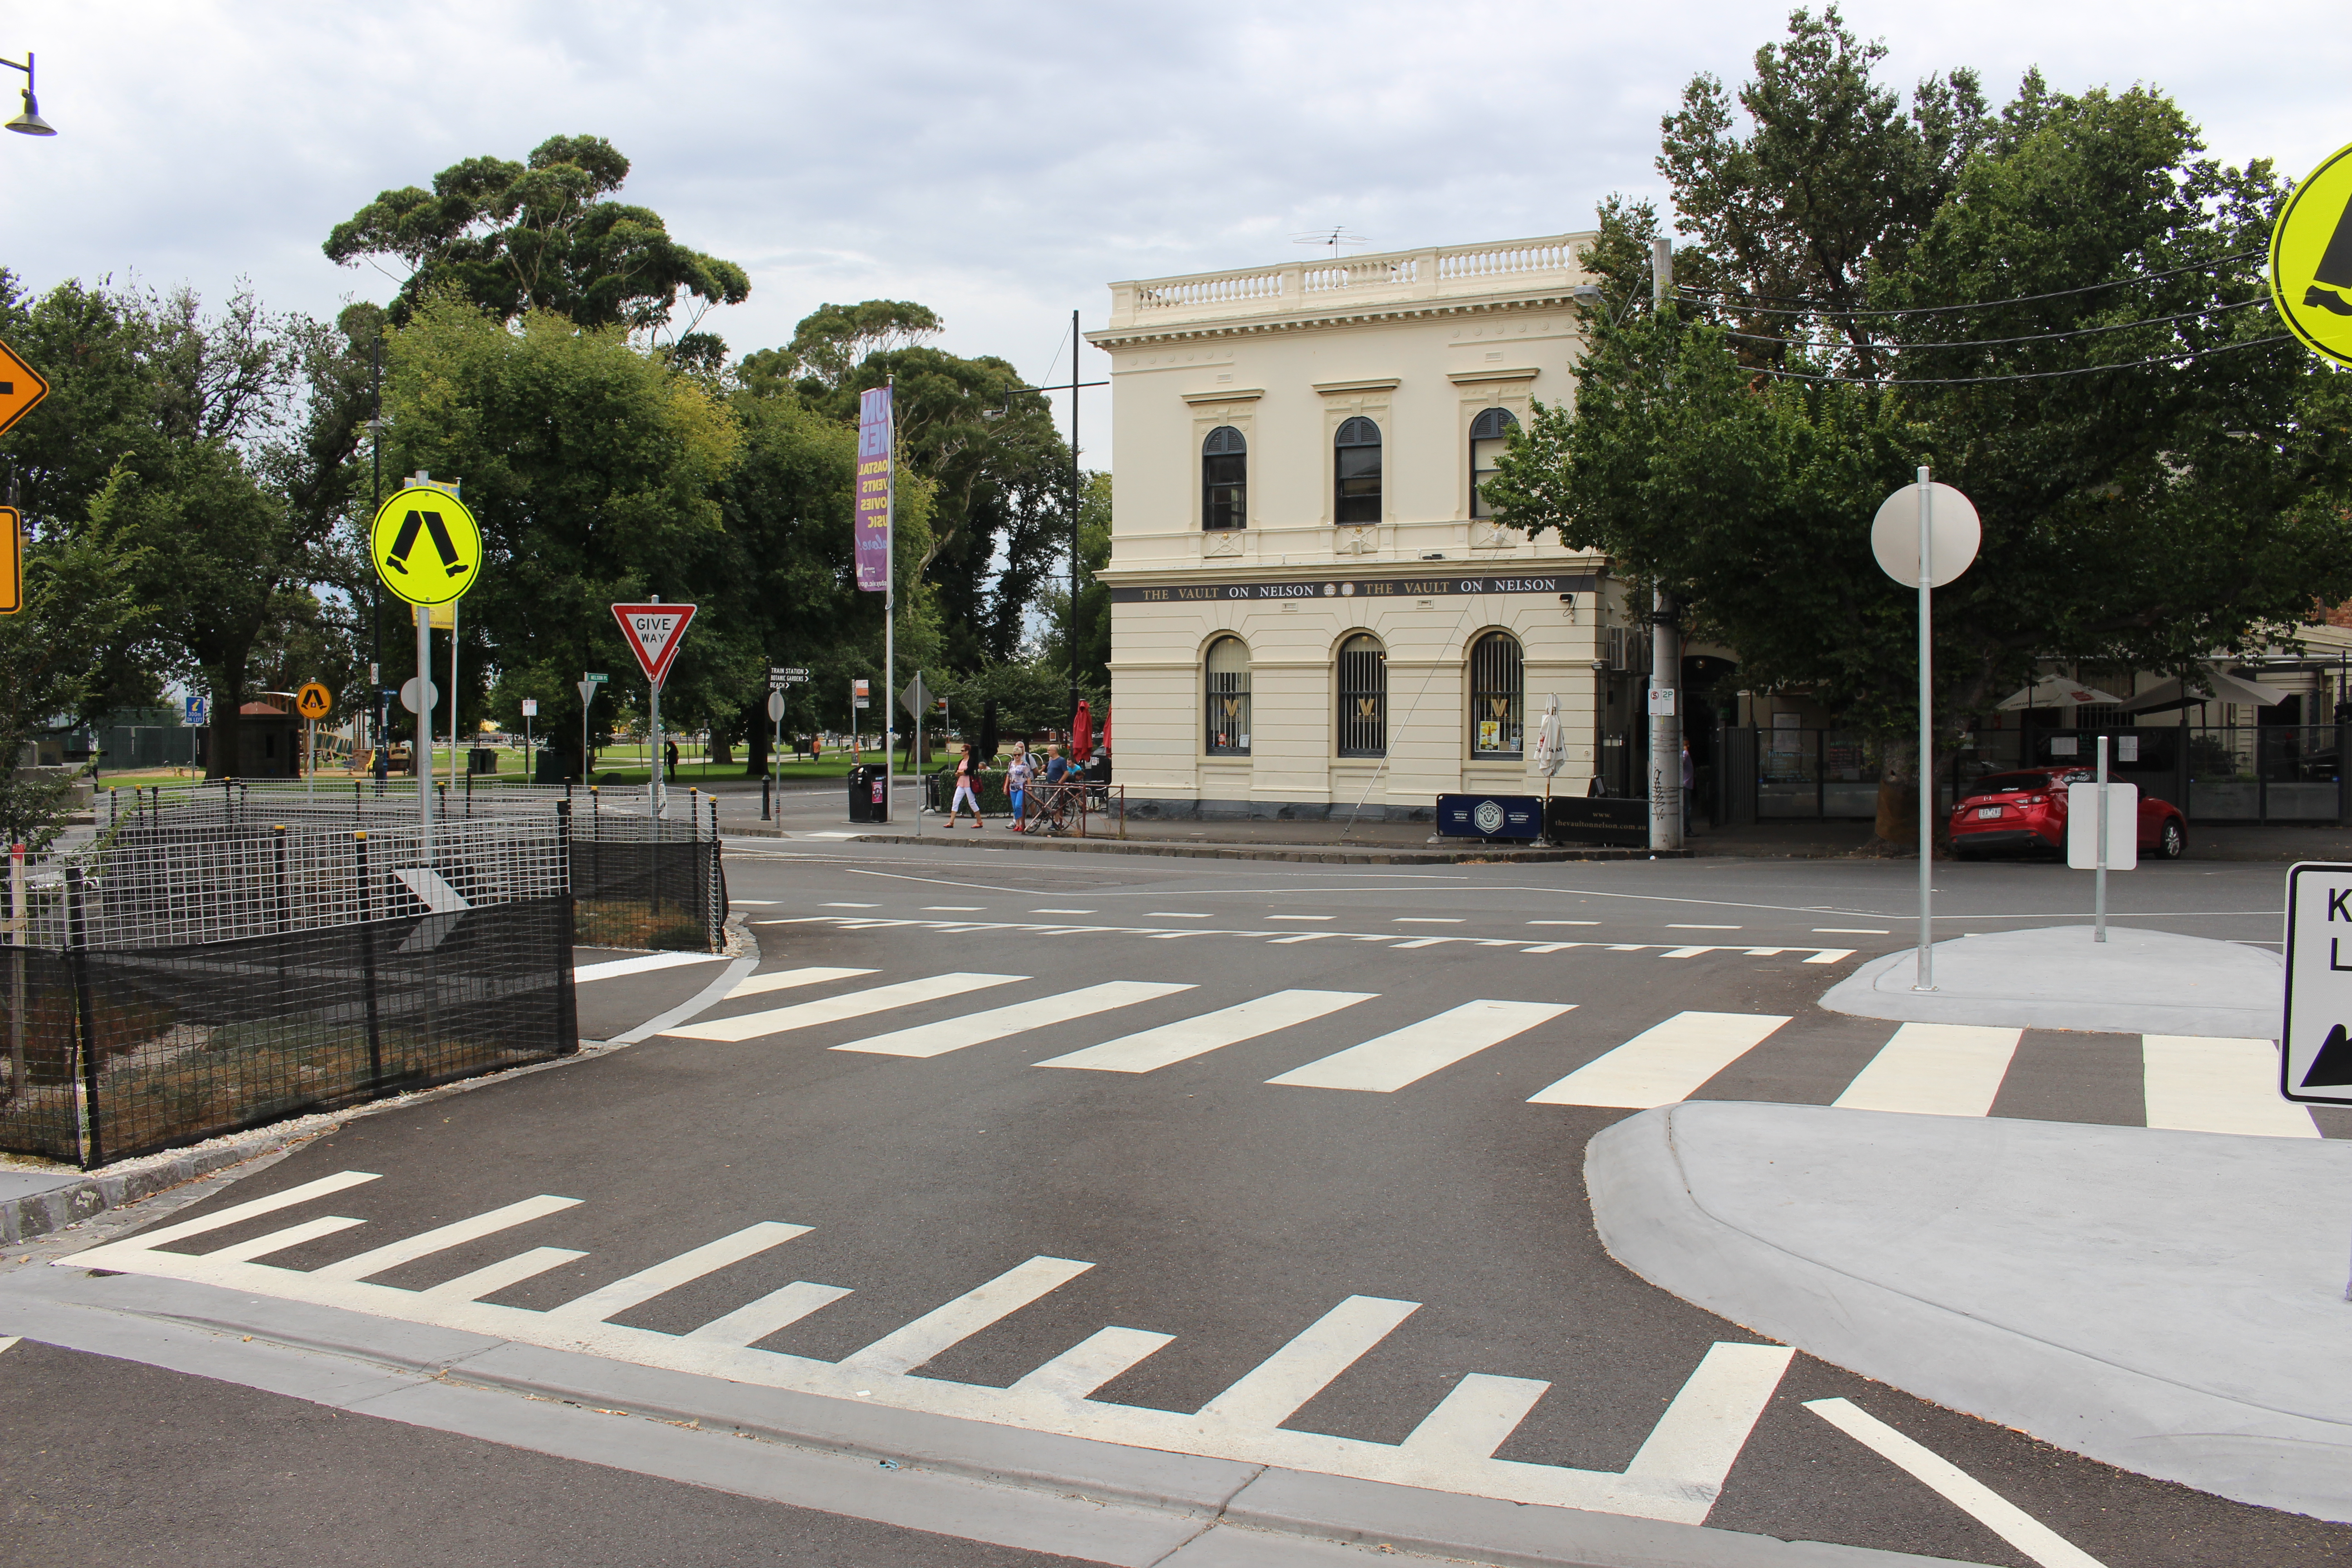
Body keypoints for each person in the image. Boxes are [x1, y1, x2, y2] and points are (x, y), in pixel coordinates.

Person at [947, 742, 983, 828]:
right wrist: (960, 773)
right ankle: (951, 822)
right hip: (961, 783)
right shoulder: (961, 761)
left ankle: (979, 821)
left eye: (963, 751)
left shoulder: (971, 760)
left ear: (967, 752)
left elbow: (969, 771)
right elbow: (956, 773)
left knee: (972, 802)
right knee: (956, 801)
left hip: (968, 784)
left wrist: (961, 772)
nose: (961, 752)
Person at [1006, 743, 1032, 831]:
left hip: (1021, 787)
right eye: (1015, 755)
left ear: (1021, 755)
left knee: (1018, 805)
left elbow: (1028, 777)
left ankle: (1022, 823)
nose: (1017, 756)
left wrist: (1030, 788)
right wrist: (1006, 786)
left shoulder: (1025, 765)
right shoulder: (1011, 764)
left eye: (1019, 755)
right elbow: (1008, 775)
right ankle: (1017, 824)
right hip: (1012, 787)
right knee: (1014, 807)